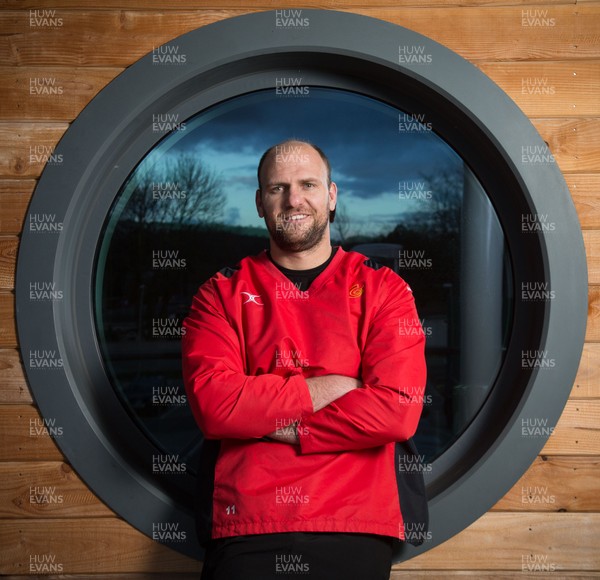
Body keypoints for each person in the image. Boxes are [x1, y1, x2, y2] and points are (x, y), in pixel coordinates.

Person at [182, 139, 428, 579]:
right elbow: (216, 408)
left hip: (354, 517)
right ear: (260, 203)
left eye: (307, 184)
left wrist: (268, 419)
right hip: (246, 519)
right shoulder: (219, 293)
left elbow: (396, 411)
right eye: (277, 188)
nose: (293, 199)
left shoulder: (383, 288)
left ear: (331, 196)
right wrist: (334, 387)